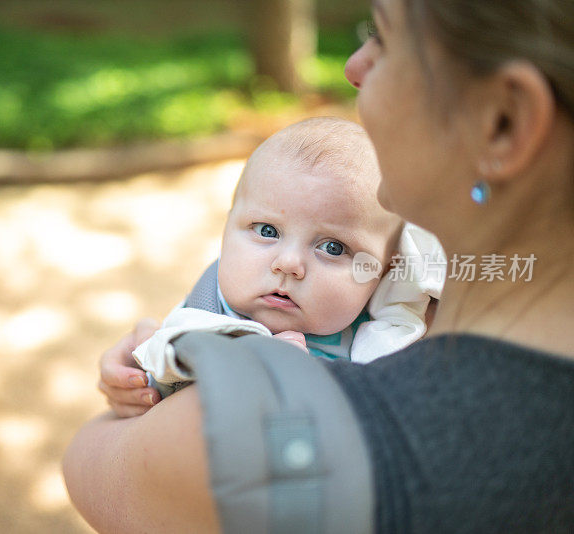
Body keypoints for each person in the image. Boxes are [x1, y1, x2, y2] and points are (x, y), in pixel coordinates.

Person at [64, 0, 574, 531]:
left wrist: (135, 396)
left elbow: (87, 462)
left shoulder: (251, 433)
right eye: (266, 232)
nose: (354, 65)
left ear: (503, 121)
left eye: (383, 35)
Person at [132, 117, 443, 399]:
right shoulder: (204, 313)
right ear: (226, 228)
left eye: (333, 248)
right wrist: (135, 380)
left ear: (382, 272)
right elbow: (161, 381)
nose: (289, 264)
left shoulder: (389, 341)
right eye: (267, 230)